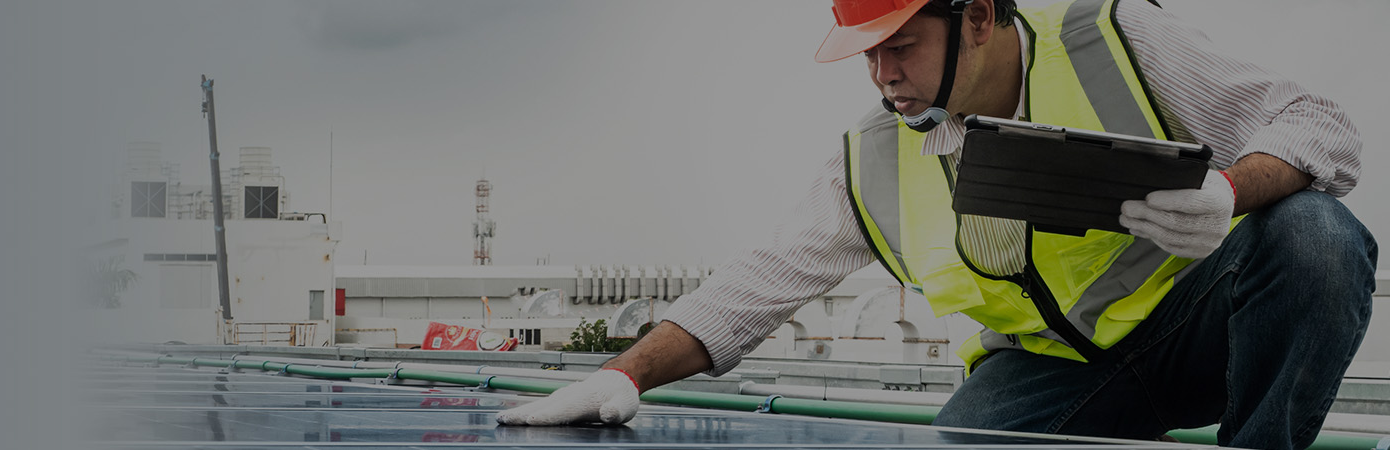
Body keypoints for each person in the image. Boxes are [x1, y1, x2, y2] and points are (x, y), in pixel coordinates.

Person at [494, 1, 1373, 449]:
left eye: (899, 44)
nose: (881, 75)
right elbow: (752, 287)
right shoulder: (875, 158)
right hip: (1050, 375)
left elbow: (1321, 126)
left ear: (978, 17)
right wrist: (624, 375)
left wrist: (1228, 189)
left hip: (1198, 334)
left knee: (1316, 235)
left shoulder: (1114, 38)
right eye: (867, 53)